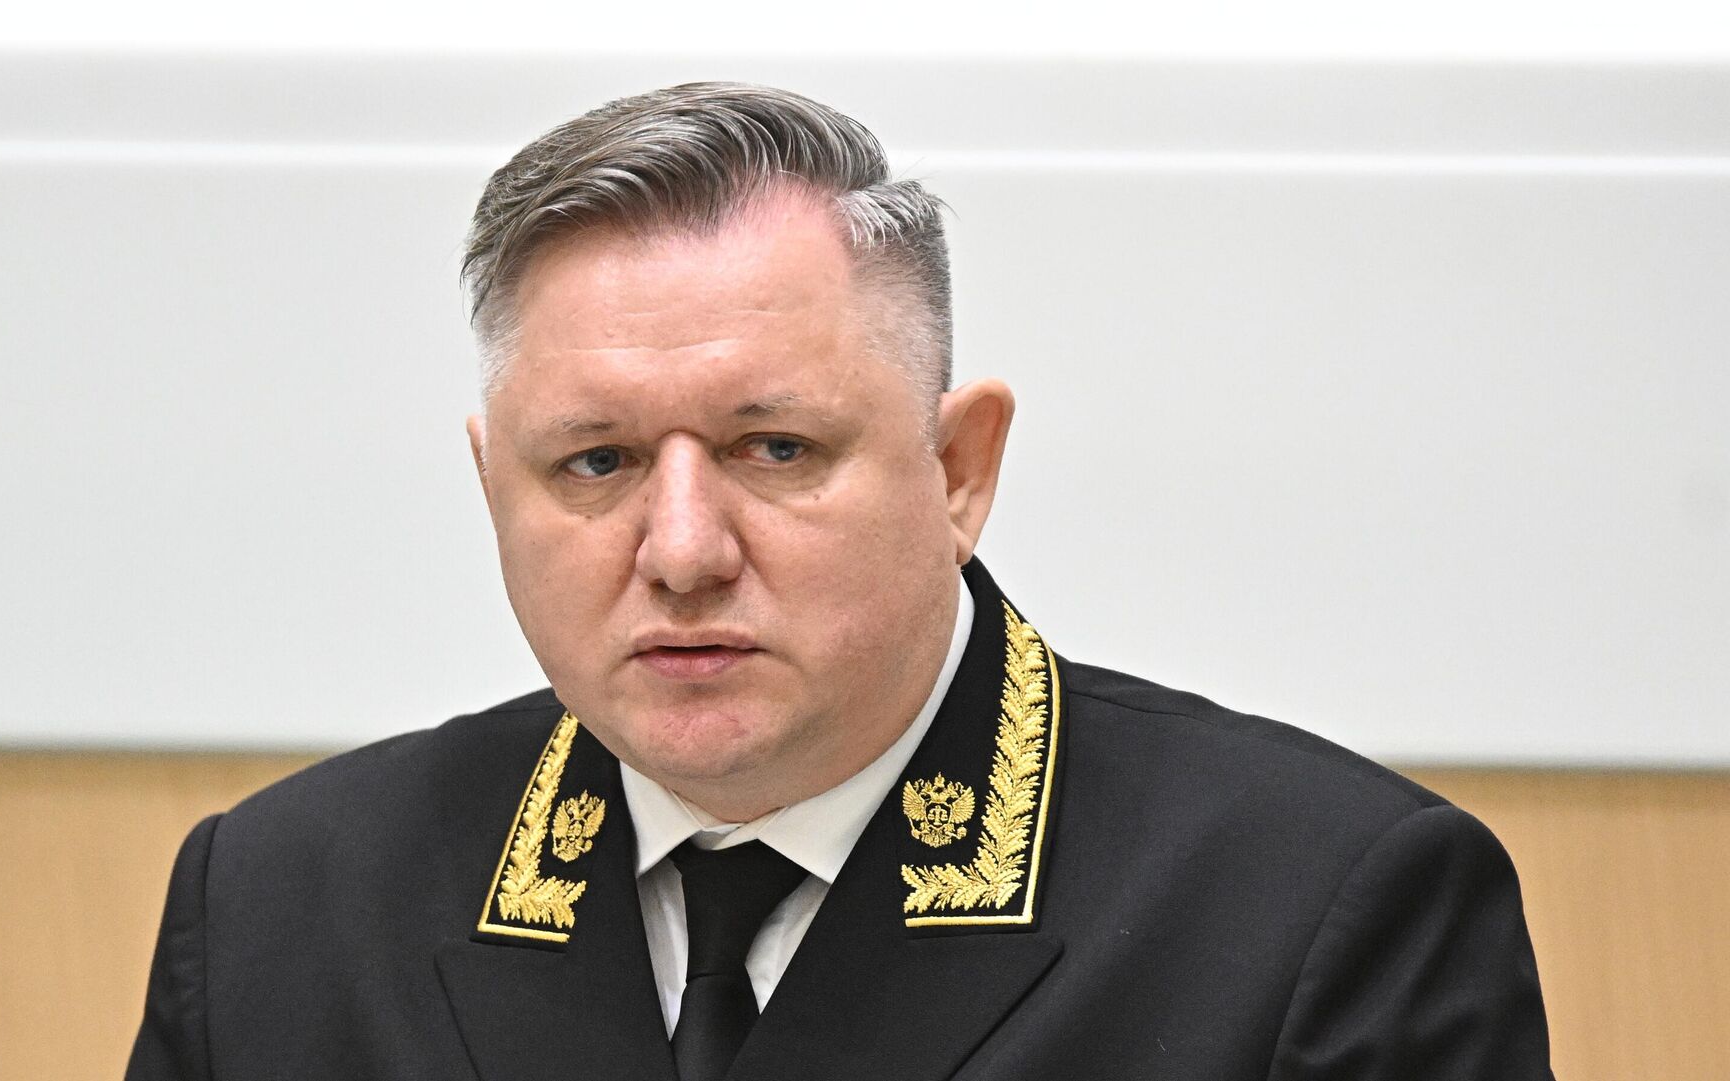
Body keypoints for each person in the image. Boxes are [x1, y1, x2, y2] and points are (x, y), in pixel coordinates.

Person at [128, 82, 1553, 1081]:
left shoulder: (1320, 914)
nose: (682, 551)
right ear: (493, 484)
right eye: (596, 463)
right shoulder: (281, 908)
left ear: (959, 469)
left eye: (777, 449)